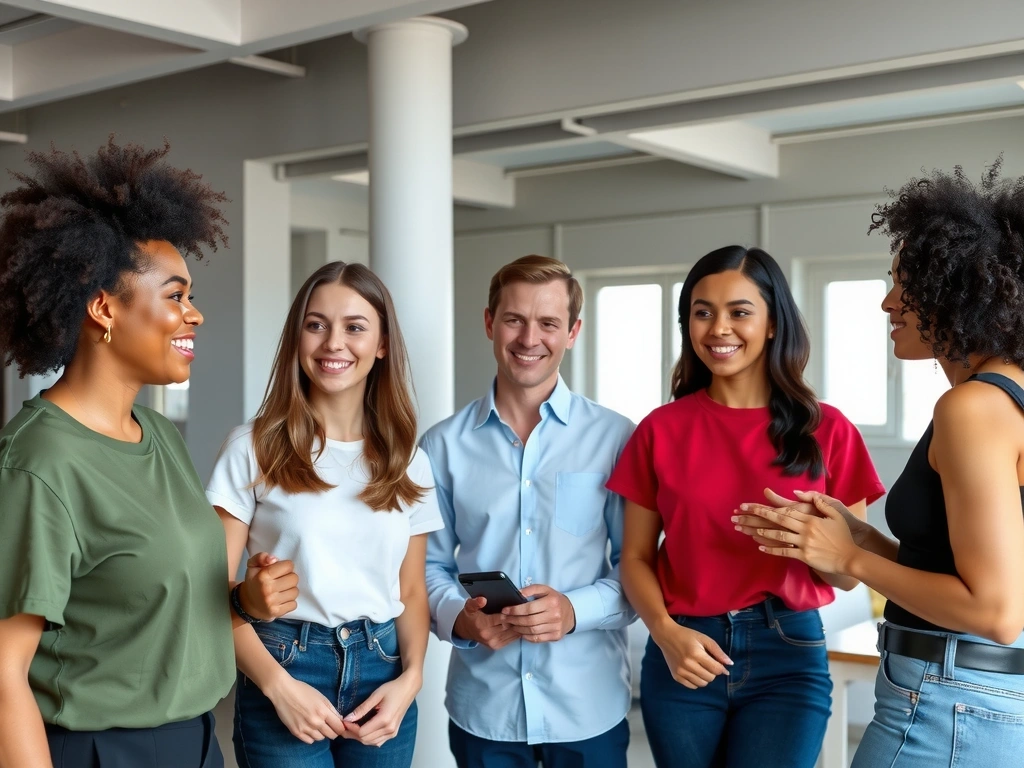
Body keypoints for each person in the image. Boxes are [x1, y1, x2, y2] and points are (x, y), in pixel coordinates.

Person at [0, 139, 293, 768]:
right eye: (176, 296)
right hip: (99, 751)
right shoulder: (38, 465)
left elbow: (153, 600)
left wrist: (246, 602)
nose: (196, 315)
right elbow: (3, 679)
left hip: (196, 742)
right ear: (104, 308)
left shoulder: (156, 435)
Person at [735, 162, 1024, 767]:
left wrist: (848, 559)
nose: (888, 301)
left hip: (944, 702)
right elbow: (966, 574)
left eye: (905, 283)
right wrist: (864, 537)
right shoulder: (1007, 394)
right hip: (975, 698)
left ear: (958, 286)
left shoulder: (971, 407)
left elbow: (995, 611)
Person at [608, 245, 885, 768]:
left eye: (739, 312)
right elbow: (636, 559)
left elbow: (851, 577)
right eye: (702, 312)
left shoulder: (829, 431)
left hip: (789, 650)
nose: (719, 329)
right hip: (686, 645)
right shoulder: (659, 431)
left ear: (774, 323)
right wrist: (666, 636)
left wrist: (813, 544)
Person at [206, 260, 442, 768]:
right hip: (285, 663)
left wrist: (411, 679)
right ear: (298, 338)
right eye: (316, 325)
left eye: (355, 327)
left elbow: (412, 591)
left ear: (381, 345)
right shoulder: (253, 447)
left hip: (383, 673)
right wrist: (276, 685)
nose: (333, 343)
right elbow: (210, 592)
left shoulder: (408, 460)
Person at [421, 255, 635, 768]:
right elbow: (425, 565)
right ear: (490, 322)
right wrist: (461, 620)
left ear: (573, 331)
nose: (529, 338)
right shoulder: (441, 446)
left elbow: (639, 564)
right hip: (484, 711)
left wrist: (574, 609)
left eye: (548, 323)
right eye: (514, 319)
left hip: (589, 708)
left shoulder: (617, 439)